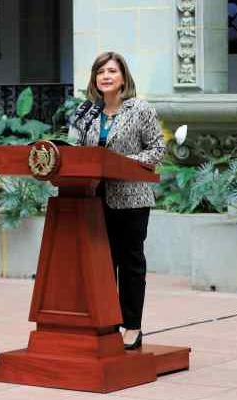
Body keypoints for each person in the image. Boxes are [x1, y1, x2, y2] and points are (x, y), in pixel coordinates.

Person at [68, 51, 165, 350]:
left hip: (132, 198)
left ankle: (132, 326)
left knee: (130, 262)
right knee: (102, 263)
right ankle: (106, 321)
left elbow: (157, 150)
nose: (105, 76)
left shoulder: (139, 109)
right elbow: (76, 150)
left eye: (111, 71)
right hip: (94, 199)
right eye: (100, 72)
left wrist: (120, 162)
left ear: (123, 77)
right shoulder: (87, 112)